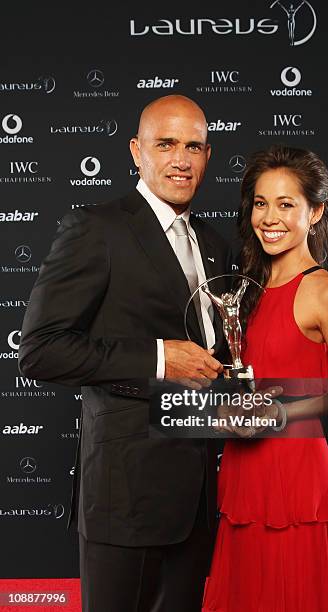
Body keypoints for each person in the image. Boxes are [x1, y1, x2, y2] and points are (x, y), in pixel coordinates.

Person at [18, 95, 231, 612]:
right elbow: (41, 351)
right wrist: (160, 358)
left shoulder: (215, 244)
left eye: (194, 146)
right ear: (137, 151)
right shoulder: (97, 228)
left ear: (207, 156)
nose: (181, 158)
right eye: (166, 144)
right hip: (125, 496)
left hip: (200, 499)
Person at [202, 144, 328, 611]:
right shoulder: (244, 290)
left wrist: (278, 412)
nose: (269, 217)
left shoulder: (327, 291)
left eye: (286, 204)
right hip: (244, 468)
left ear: (317, 213)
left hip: (295, 476)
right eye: (260, 202)